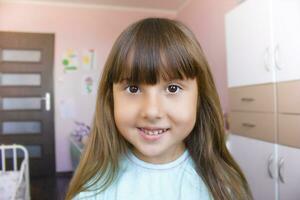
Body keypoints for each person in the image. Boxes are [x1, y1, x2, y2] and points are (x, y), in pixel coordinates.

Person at [65, 18, 253, 200]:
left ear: (199, 98)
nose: (152, 112)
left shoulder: (224, 185)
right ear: (111, 98)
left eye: (173, 88)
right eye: (133, 88)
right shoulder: (93, 190)